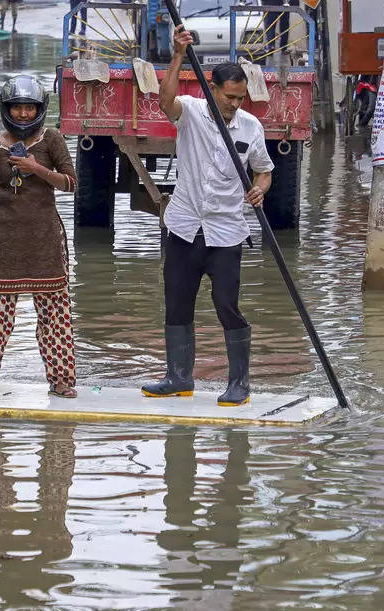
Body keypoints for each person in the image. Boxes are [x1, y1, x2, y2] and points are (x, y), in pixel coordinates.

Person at [141, 25, 274, 407]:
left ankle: (239, 384)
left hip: (227, 232)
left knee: (226, 304)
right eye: (229, 97)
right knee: (177, 301)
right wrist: (178, 55)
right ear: (212, 89)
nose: (234, 104)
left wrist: (259, 189)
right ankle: (178, 378)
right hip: (184, 226)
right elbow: (164, 101)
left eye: (240, 98)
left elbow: (264, 171)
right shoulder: (193, 113)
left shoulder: (251, 126)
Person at [0, 75, 80, 400]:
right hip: (4, 240)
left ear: (39, 109)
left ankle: (61, 379)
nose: (23, 114)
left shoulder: (52, 140)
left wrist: (36, 168)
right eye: (17, 108)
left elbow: (71, 183)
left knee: (54, 313)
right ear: (6, 109)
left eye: (29, 108)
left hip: (45, 240)